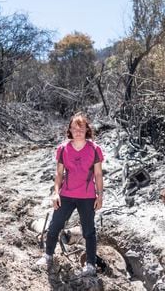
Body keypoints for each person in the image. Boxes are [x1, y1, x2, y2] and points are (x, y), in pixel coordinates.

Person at [37, 112, 104, 276]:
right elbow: (59, 174)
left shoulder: (94, 149)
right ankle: (48, 256)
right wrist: (56, 193)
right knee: (54, 226)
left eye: (81, 128)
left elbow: (98, 175)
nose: (78, 131)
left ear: (86, 129)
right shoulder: (63, 149)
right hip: (66, 195)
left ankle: (90, 265)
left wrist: (100, 195)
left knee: (89, 231)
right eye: (75, 128)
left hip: (87, 196)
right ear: (70, 130)